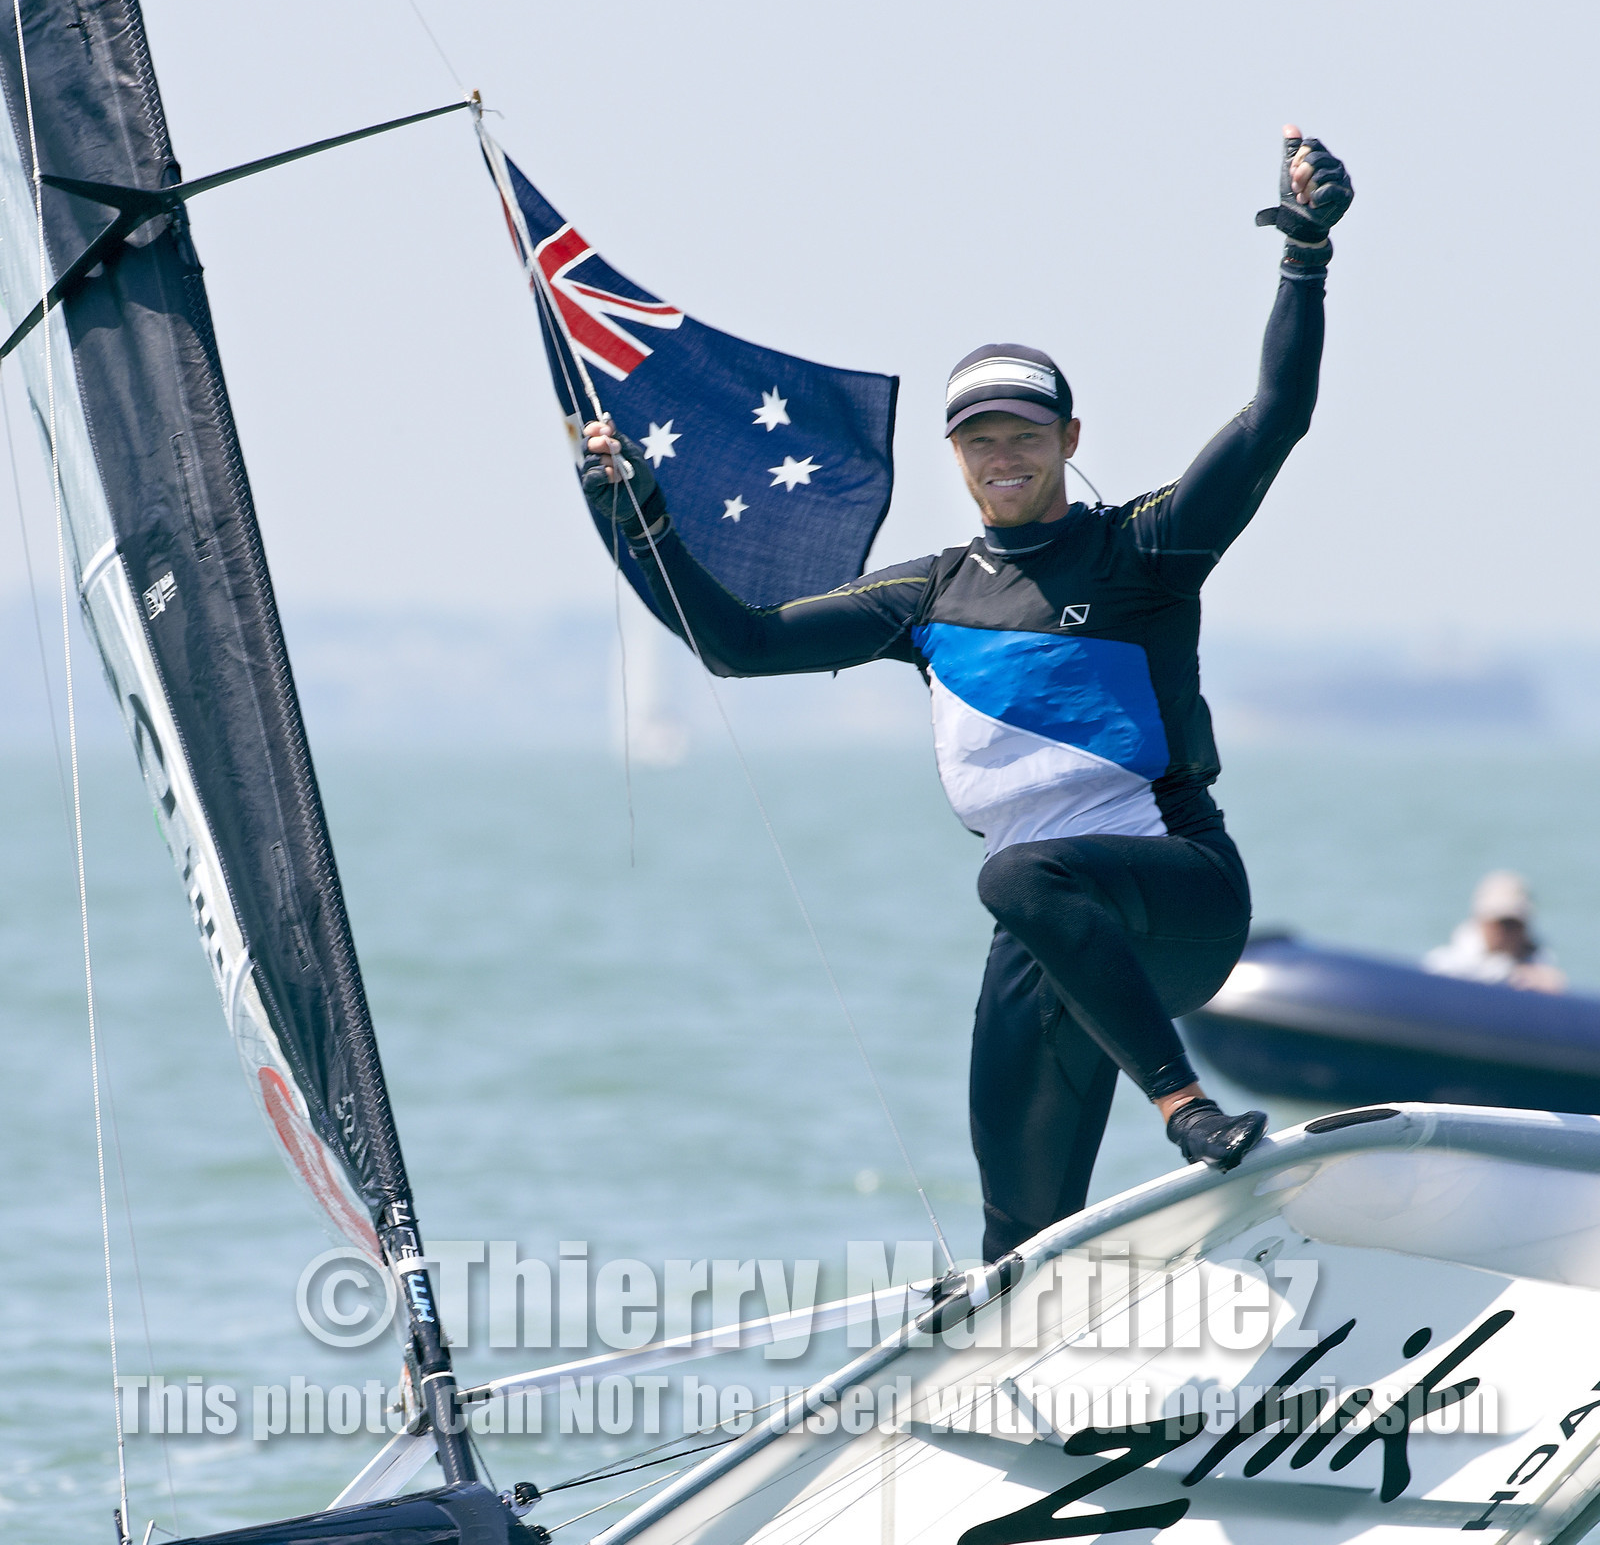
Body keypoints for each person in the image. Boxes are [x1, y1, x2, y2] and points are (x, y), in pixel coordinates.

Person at [582, 127, 1353, 1263]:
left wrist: (1304, 254)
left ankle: (1182, 1106)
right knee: (1014, 1234)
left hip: (1177, 897)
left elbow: (1273, 418)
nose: (1002, 454)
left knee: (1016, 872)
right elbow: (735, 647)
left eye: (1024, 434)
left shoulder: (1144, 547)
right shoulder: (927, 593)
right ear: (954, 453)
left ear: (1068, 439)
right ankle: (1045, 1394)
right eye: (979, 437)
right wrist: (638, 521)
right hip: (1046, 935)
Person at [1424, 871, 1567, 993]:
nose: (1506, 932)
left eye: (1513, 924)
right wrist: (1509, 974)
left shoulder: (1541, 971)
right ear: (1481, 921)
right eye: (1499, 922)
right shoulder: (1444, 963)